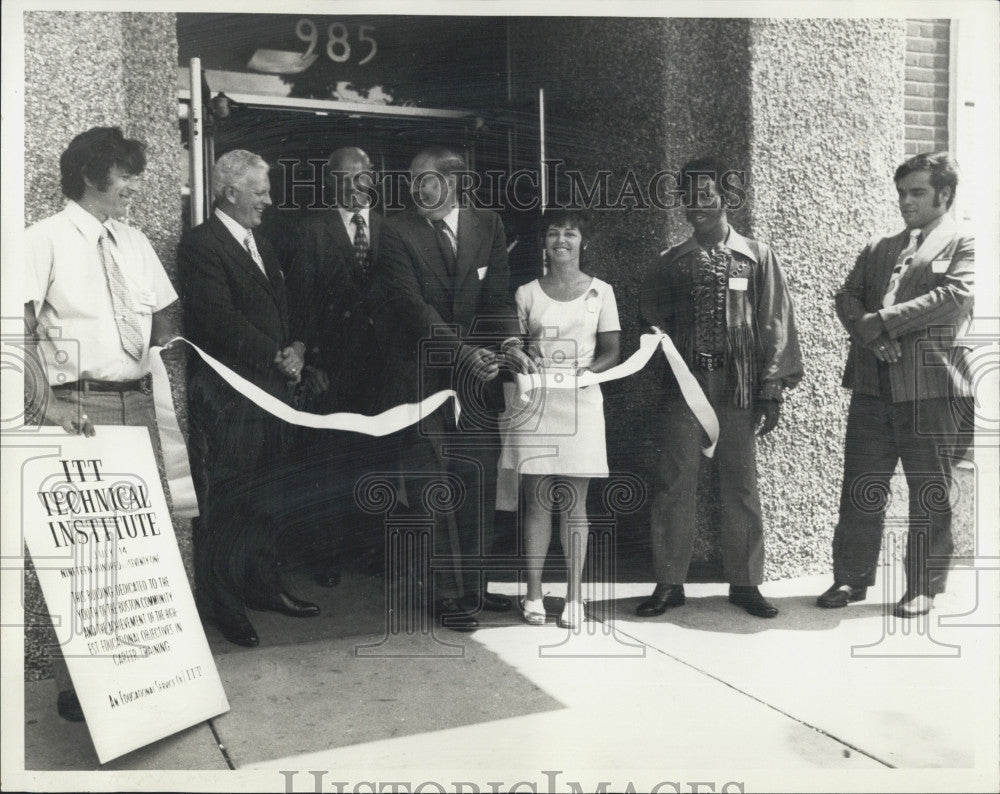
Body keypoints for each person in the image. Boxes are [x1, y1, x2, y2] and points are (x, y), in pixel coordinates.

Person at [24, 126, 179, 720]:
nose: (136, 187)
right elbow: (16, 333)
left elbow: (163, 310)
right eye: (127, 174)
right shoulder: (43, 241)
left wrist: (162, 335)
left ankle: (142, 677)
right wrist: (49, 408)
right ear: (92, 175)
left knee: (140, 547)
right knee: (86, 554)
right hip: (78, 410)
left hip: (139, 406)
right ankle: (80, 687)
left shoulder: (133, 241)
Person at [375, 145, 534, 631]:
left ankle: (475, 586)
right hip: (421, 382)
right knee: (433, 488)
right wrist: (465, 352)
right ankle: (446, 595)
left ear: (453, 182)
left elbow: (498, 295)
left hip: (479, 381)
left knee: (478, 481)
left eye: (424, 179)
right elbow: (410, 307)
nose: (414, 188)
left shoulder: (488, 224)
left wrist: (509, 341)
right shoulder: (396, 232)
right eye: (413, 179)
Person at [637, 156, 803, 619]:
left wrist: (771, 389)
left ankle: (745, 582)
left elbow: (775, 322)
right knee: (674, 485)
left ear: (727, 198)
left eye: (705, 195)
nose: (696, 205)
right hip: (685, 389)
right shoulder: (670, 262)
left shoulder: (757, 256)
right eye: (688, 197)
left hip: (738, 388)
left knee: (741, 486)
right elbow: (651, 319)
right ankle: (670, 583)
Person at [817, 152, 974, 617]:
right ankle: (850, 579)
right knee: (862, 485)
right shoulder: (881, 247)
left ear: (944, 195)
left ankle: (922, 587)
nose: (906, 201)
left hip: (931, 385)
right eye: (902, 192)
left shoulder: (965, 242)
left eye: (918, 193)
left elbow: (954, 297)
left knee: (930, 489)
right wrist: (870, 335)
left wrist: (878, 324)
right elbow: (846, 295)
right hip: (872, 382)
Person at [178, 149, 317, 649]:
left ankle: (263, 587)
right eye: (259, 191)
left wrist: (298, 348)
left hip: (275, 394)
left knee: (268, 498)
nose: (268, 200)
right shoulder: (202, 245)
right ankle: (224, 605)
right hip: (232, 399)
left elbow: (285, 307)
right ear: (230, 191)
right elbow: (216, 319)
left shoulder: (262, 241)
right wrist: (277, 355)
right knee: (230, 504)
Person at [499, 209, 620, 629]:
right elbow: (514, 346)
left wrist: (591, 372)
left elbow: (611, 350)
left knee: (575, 504)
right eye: (553, 234)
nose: (561, 240)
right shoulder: (526, 292)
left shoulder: (601, 292)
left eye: (570, 233)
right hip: (535, 403)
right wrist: (522, 354)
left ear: (583, 240)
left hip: (582, 403)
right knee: (536, 501)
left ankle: (574, 598)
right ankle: (533, 593)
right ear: (544, 243)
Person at [284, 146, 385, 587]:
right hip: (331, 368)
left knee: (371, 461)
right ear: (332, 183)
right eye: (345, 177)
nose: (355, 183)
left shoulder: (391, 228)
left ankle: (366, 548)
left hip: (379, 370)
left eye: (363, 174)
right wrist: (312, 364)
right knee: (327, 463)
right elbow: (302, 301)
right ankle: (324, 555)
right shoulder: (311, 231)